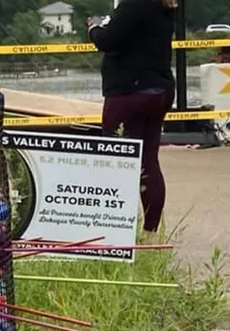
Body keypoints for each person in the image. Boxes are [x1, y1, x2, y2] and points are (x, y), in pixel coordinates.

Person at [88, 0, 176, 235]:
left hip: (129, 91)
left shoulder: (133, 4)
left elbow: (109, 40)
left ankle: (117, 232)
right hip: (159, 89)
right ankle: (150, 232)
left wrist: (94, 29)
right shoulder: (164, 6)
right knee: (148, 161)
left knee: (117, 161)